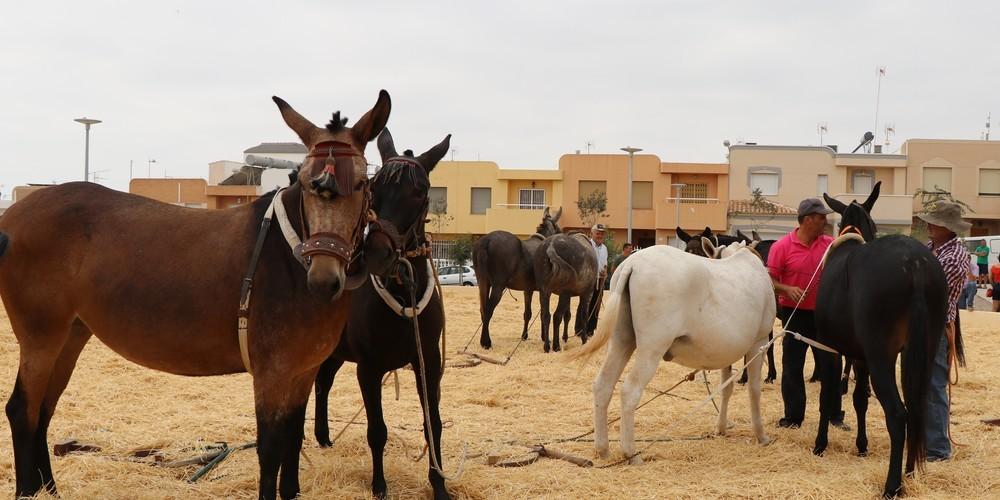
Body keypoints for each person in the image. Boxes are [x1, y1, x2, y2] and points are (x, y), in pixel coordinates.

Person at [767, 198, 846, 429]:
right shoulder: (781, 247)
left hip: (826, 316)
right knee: (792, 367)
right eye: (821, 217)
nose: (826, 221)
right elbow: (769, 280)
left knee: (831, 366)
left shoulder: (831, 245)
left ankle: (833, 416)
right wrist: (787, 289)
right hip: (795, 315)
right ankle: (793, 418)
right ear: (808, 220)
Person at [918, 201, 971, 462]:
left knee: (934, 386)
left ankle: (938, 449)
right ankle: (925, 440)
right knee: (922, 384)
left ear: (948, 228)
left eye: (935, 221)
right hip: (922, 325)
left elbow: (927, 290)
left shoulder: (956, 257)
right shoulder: (931, 248)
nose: (929, 224)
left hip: (935, 325)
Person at [584, 223, 609, 338]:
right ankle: (581, 330)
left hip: (600, 280)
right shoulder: (587, 245)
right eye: (598, 233)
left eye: (602, 233)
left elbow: (605, 264)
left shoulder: (604, 248)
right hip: (588, 280)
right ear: (592, 233)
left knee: (596, 306)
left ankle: (591, 330)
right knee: (585, 305)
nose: (600, 235)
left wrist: (605, 272)